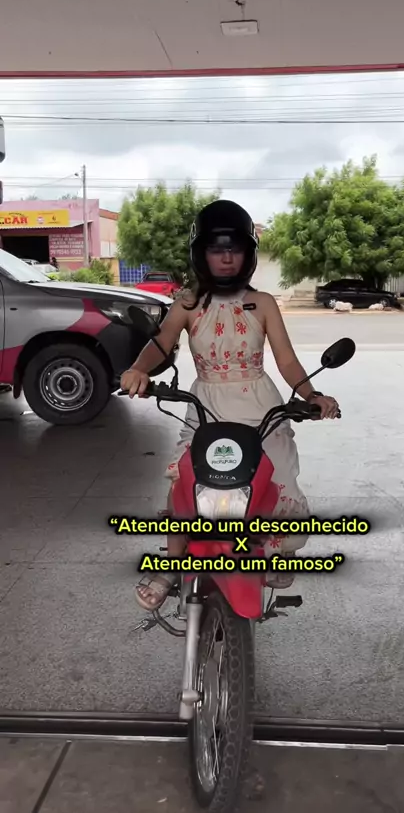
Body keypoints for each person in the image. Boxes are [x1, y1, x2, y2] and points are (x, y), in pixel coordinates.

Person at [120, 200, 340, 611]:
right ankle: (172, 567)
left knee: (278, 484)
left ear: (247, 254)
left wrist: (311, 396)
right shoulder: (187, 303)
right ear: (200, 254)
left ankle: (272, 553)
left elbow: (287, 360)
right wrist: (138, 369)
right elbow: (161, 343)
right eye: (216, 249)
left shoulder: (264, 303)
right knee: (182, 485)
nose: (225, 257)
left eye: (234, 249)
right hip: (205, 405)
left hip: (261, 406)